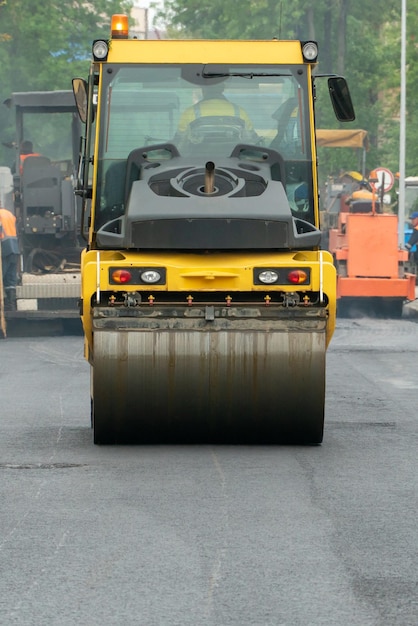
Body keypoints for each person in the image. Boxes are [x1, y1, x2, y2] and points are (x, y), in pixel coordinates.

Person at [175, 83, 258, 151]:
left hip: (196, 165)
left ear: (203, 89)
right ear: (222, 88)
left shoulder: (190, 112)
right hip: (233, 165)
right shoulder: (239, 112)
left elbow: (179, 142)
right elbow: (251, 142)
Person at [0, 207, 19, 310]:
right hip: (14, 248)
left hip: (4, 249)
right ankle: (11, 305)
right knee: (10, 279)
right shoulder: (9, 214)